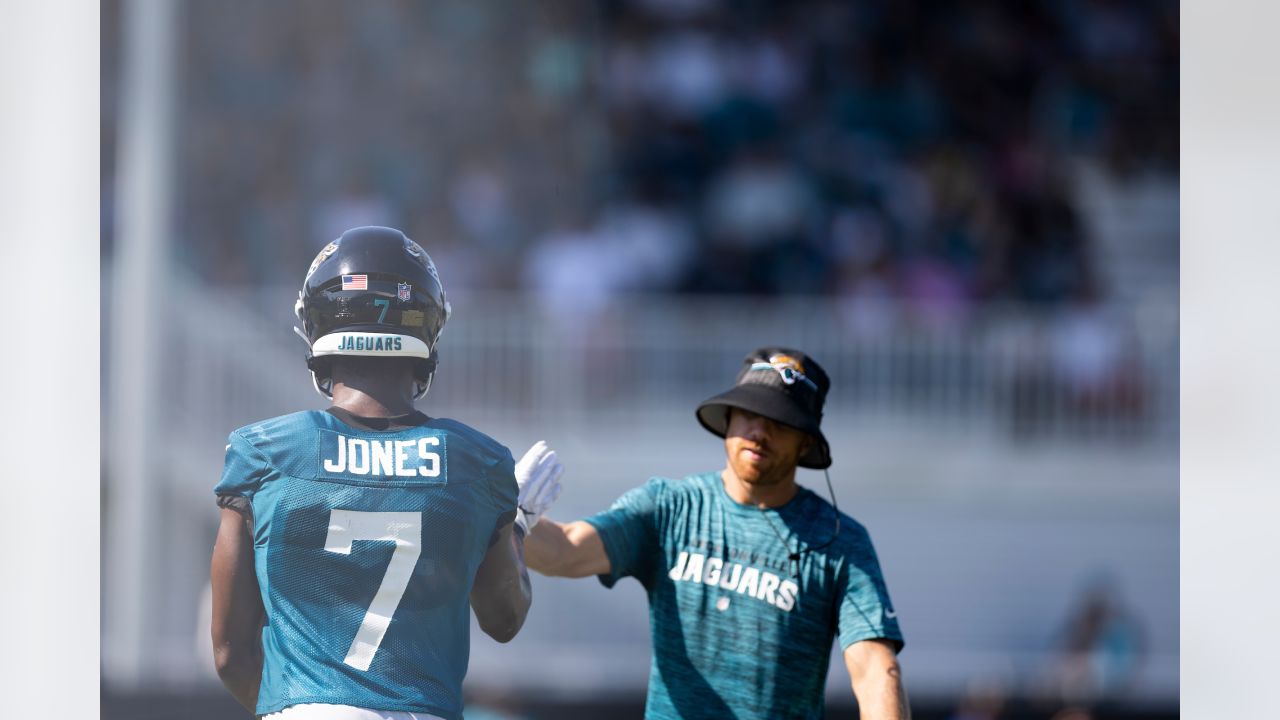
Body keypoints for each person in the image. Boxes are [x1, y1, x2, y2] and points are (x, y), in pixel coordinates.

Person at [209, 226, 563, 720]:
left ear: (316, 322)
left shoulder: (264, 452)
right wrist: (517, 521)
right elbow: (504, 619)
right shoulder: (476, 462)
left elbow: (230, 653)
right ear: (428, 326)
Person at [522, 347, 909, 719]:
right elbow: (565, 551)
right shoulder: (669, 507)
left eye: (780, 421)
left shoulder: (840, 541)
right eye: (749, 413)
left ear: (806, 440)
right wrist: (509, 513)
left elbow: (875, 669)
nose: (760, 431)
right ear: (728, 420)